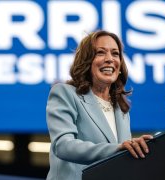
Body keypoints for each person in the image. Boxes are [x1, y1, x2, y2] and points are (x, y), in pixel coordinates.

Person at [45, 30, 153, 180]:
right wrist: (118, 148)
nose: (110, 59)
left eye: (115, 54)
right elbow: (63, 146)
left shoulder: (120, 108)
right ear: (86, 61)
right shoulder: (65, 93)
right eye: (100, 53)